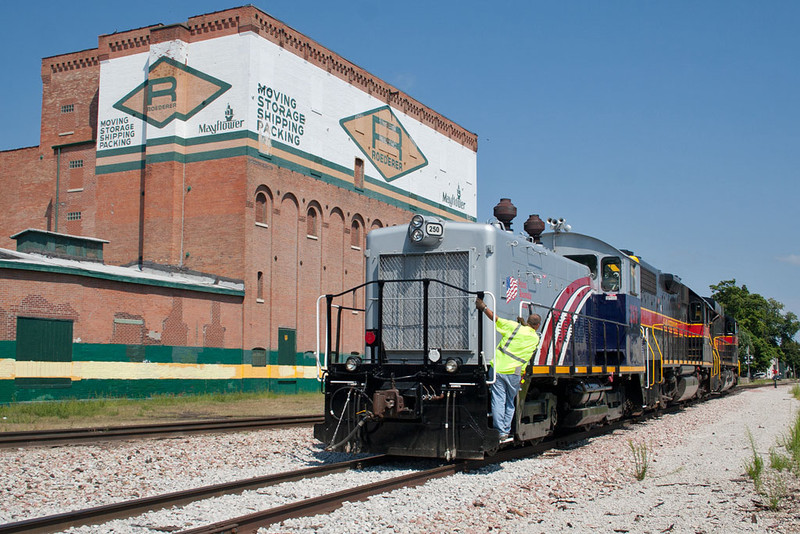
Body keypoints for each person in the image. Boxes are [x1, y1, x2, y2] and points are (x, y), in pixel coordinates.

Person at [475, 297, 541, 442]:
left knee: (498, 400)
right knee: (510, 401)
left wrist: (483, 307)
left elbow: (495, 318)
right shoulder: (535, 338)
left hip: (499, 368)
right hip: (515, 373)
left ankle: (499, 431)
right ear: (537, 326)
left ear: (528, 321)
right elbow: (529, 333)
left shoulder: (514, 327)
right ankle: (505, 430)